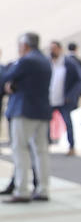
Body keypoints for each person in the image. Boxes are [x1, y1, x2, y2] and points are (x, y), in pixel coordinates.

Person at [1, 32, 53, 203]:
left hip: (23, 110)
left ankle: (22, 190)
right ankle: (43, 189)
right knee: (41, 151)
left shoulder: (26, 61)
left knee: (20, 149)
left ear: (24, 45)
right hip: (42, 111)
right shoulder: (45, 61)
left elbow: (6, 76)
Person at [49, 40, 81, 156]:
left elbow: (80, 80)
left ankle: (72, 146)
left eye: (54, 48)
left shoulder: (69, 63)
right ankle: (46, 144)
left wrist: (71, 95)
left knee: (68, 123)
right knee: (44, 123)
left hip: (64, 100)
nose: (52, 51)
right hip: (50, 99)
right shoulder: (48, 63)